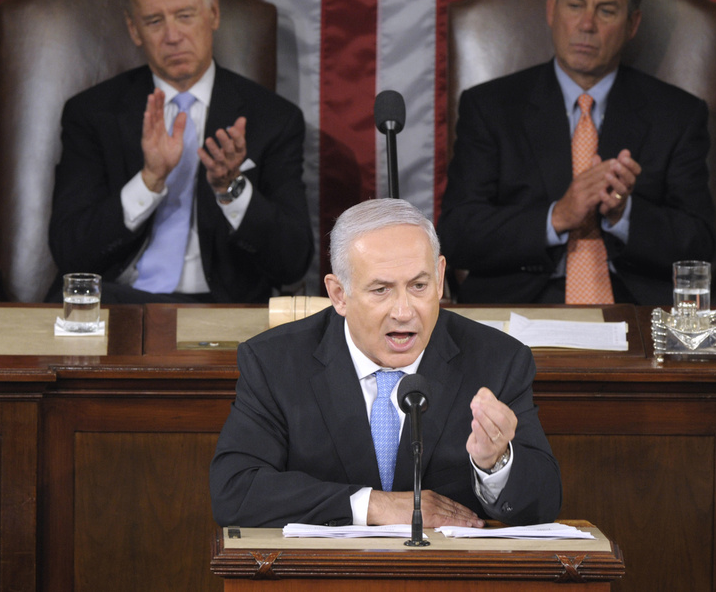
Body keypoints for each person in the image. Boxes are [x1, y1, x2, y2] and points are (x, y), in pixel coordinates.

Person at [210, 198, 561, 528]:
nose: (404, 311)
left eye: (419, 286)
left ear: (440, 278)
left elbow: (544, 504)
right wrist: (373, 505)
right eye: (381, 290)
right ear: (339, 295)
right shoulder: (275, 363)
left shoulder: (498, 361)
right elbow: (235, 490)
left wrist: (496, 463)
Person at [437, 0, 716, 306]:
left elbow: (701, 245)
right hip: (520, 308)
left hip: (636, 310)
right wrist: (558, 216)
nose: (587, 24)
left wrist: (624, 215)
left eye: (606, 11)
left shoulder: (678, 114)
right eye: (575, 5)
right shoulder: (490, 107)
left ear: (632, 24)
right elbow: (457, 236)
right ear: (552, 10)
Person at [48, 0, 313, 303]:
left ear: (213, 13)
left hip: (221, 312)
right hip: (120, 303)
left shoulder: (273, 119)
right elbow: (70, 252)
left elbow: (293, 262)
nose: (172, 36)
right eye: (155, 21)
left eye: (185, 15)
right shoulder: (92, 114)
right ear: (134, 29)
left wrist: (231, 188)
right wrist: (149, 180)